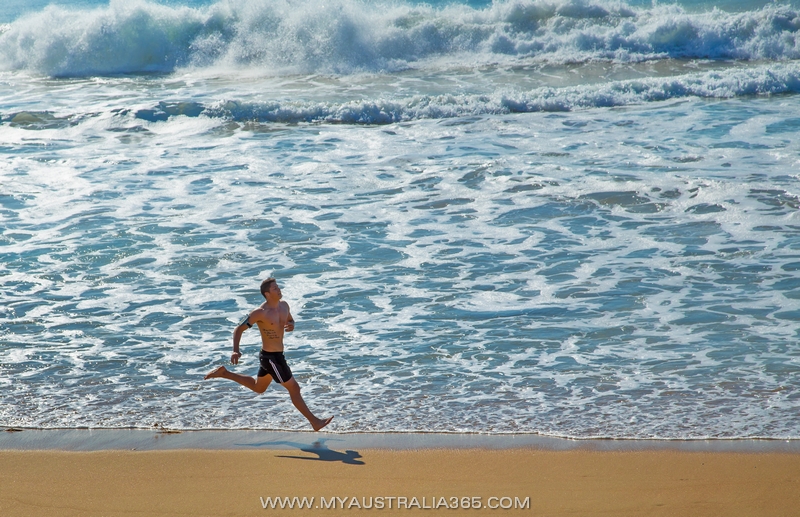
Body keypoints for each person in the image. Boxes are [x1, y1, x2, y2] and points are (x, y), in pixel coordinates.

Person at [204, 278, 333, 431]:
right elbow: (238, 329)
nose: (279, 290)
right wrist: (235, 350)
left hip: (276, 356)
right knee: (294, 388)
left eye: (278, 287)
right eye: (275, 288)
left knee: (259, 388)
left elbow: (291, 320)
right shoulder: (260, 313)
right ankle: (315, 422)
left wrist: (292, 325)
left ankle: (224, 373)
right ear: (267, 294)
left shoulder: (284, 306)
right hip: (271, 358)